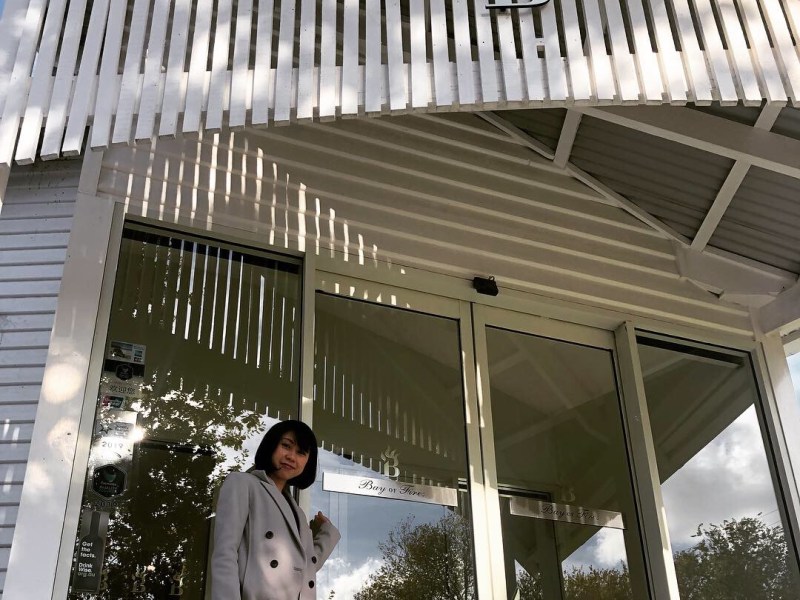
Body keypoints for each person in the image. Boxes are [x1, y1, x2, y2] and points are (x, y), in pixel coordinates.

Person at [211, 420, 340, 599]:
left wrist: (328, 534)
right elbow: (225, 553)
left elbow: (304, 568)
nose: (291, 457)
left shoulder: (298, 514)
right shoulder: (242, 483)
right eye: (286, 446)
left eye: (301, 452)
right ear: (271, 445)